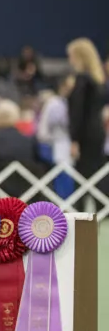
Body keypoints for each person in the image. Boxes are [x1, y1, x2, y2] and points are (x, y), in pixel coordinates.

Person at [65, 37, 107, 207]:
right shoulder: (99, 81)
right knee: (98, 173)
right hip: (98, 132)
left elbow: (77, 112)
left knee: (81, 174)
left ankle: (80, 211)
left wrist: (74, 139)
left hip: (85, 135)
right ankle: (102, 207)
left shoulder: (82, 79)